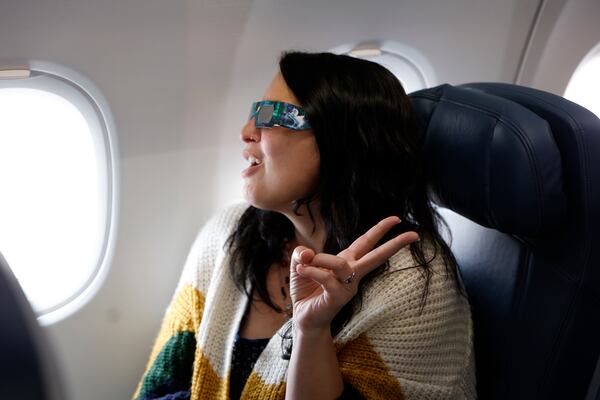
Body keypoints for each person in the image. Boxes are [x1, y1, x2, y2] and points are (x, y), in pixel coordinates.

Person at [134, 51, 476, 400]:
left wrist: (312, 333)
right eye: (254, 113)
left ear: (341, 140)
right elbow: (161, 387)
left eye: (271, 115)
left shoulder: (414, 283)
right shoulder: (228, 234)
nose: (246, 132)